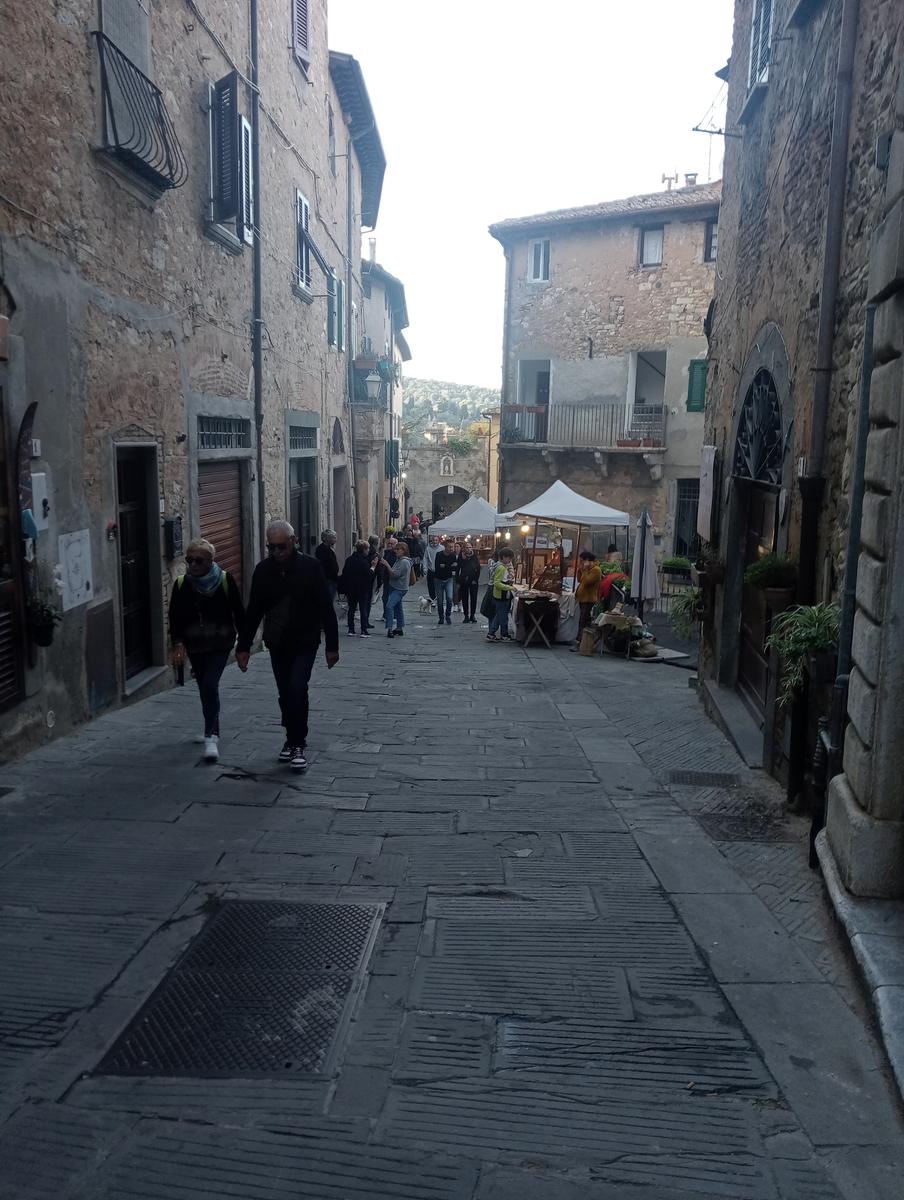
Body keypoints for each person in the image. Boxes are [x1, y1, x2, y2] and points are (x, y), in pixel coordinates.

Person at [236, 520, 339, 772]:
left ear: (293, 541)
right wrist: (244, 646)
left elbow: (326, 607)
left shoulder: (311, 567)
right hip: (277, 641)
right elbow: (254, 611)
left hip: (305, 640)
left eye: (280, 547)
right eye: (271, 547)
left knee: (296, 687)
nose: (276, 552)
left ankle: (298, 741)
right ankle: (290, 738)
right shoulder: (263, 571)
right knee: (285, 692)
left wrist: (332, 646)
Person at [169, 538, 245, 763]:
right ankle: (208, 728)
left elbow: (239, 612)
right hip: (195, 644)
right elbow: (175, 617)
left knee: (210, 684)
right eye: (189, 560)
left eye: (198, 560)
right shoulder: (182, 584)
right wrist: (177, 643)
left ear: (211, 561)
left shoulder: (225, 580)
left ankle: (213, 736)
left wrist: (244, 645)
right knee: (204, 687)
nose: (192, 564)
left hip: (220, 643)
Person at [341, 540, 376, 636]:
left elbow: (344, 573)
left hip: (350, 588)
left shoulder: (349, 559)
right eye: (368, 548)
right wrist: (373, 567)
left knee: (351, 609)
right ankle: (363, 630)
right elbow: (369, 576)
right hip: (362, 589)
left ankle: (351, 630)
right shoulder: (364, 562)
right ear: (364, 549)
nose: (368, 550)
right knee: (363, 608)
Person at [378, 539, 412, 637]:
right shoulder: (399, 560)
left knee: (389, 606)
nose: (395, 551)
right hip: (395, 586)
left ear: (403, 550)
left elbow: (395, 574)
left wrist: (387, 565)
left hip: (399, 588)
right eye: (395, 549)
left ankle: (389, 629)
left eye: (398, 549)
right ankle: (399, 628)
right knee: (398, 607)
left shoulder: (404, 562)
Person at [487, 548, 515, 642]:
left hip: (499, 595)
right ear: (503, 557)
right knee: (503, 617)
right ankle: (504, 635)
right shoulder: (501, 568)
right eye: (509, 558)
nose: (510, 561)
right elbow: (497, 583)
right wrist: (510, 587)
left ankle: (491, 634)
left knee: (499, 616)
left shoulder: (500, 566)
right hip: (501, 596)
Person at [575, 549, 603, 640]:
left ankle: (580, 641)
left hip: (588, 599)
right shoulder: (586, 570)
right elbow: (580, 580)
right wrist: (580, 570)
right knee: (583, 620)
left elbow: (587, 582)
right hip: (582, 598)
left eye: (581, 561)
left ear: (587, 560)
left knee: (583, 621)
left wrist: (585, 570)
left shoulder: (596, 570)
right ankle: (582, 640)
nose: (580, 562)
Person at [456, 541, 481, 623]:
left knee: (474, 598)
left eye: (470, 547)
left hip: (473, 580)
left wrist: (475, 580)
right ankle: (466, 615)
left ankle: (472, 615)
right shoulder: (461, 556)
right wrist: (458, 581)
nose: (469, 549)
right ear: (464, 548)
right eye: (467, 547)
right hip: (464, 580)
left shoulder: (474, 556)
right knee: (464, 598)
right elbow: (458, 569)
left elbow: (478, 569)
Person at [433, 538, 457, 626]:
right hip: (438, 580)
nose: (452, 549)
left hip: (449, 579)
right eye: (450, 547)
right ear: (445, 547)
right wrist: (450, 566)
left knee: (449, 598)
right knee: (440, 600)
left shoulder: (453, 556)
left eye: (453, 547)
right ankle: (441, 617)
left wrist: (446, 566)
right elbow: (438, 568)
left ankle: (448, 616)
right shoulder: (439, 555)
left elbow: (454, 568)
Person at [314, 530, 340, 602]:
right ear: (327, 539)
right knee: (328, 600)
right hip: (328, 579)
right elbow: (327, 565)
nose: (336, 540)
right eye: (334, 537)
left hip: (330, 578)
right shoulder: (323, 550)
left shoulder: (328, 548)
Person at [379, 536, 398, 621]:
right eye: (389, 543)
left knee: (392, 598)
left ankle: (392, 615)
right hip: (386, 579)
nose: (390, 545)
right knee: (385, 597)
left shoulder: (398, 555)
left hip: (394, 580)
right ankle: (385, 614)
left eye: (392, 544)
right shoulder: (387, 552)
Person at [423, 534, 440, 605]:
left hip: (439, 570)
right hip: (431, 569)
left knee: (438, 586)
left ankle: (438, 598)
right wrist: (425, 568)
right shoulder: (428, 548)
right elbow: (425, 558)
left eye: (436, 540)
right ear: (432, 541)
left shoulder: (441, 548)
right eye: (434, 540)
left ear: (438, 541)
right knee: (430, 586)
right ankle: (432, 599)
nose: (435, 542)